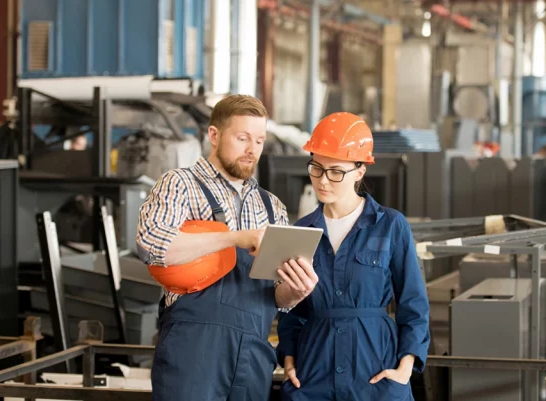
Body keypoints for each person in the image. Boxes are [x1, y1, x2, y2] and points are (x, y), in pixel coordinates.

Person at [136, 94, 319, 401]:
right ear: (214, 135)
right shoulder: (180, 184)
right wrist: (235, 238)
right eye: (242, 138)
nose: (252, 150)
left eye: (259, 141)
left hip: (253, 353)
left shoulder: (272, 207)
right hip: (193, 351)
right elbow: (152, 245)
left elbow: (277, 296)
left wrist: (297, 290)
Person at [275, 112, 430, 401]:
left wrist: (405, 368)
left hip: (375, 371)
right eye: (316, 168)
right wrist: (289, 359)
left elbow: (413, 304)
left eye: (336, 171)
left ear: (360, 171)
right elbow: (292, 311)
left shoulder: (390, 225)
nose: (323, 180)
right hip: (313, 373)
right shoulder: (302, 231)